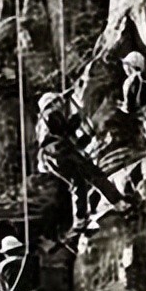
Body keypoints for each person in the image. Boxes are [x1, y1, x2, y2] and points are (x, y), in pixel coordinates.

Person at [35, 92, 127, 222]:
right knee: (93, 173)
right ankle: (118, 202)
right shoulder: (51, 114)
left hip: (51, 157)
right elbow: (64, 131)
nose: (61, 104)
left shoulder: (41, 124)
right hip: (61, 152)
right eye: (58, 101)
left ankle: (80, 218)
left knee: (78, 182)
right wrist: (76, 120)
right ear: (52, 103)